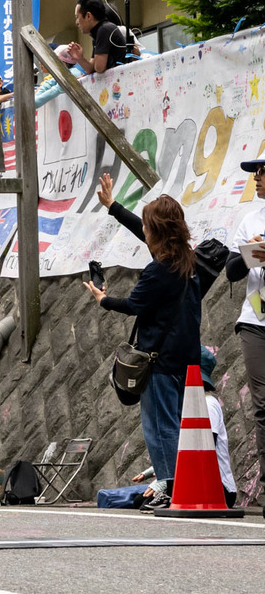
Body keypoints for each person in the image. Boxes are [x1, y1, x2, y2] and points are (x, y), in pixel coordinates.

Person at [84, 173, 201, 511]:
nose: (145, 232)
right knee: (176, 423)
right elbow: (146, 233)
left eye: (149, 228)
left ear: (159, 234)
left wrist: (103, 299)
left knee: (159, 425)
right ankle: (180, 483)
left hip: (159, 359)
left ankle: (169, 486)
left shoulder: (158, 272)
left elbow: (134, 305)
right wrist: (113, 207)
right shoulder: (186, 259)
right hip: (186, 357)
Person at [133, 346, 238, 509]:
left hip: (216, 488)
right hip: (197, 480)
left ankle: (170, 490)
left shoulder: (208, 405)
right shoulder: (189, 406)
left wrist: (167, 482)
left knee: (147, 503)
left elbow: (200, 454)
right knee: (140, 501)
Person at [225, 157, 265, 514]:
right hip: (256, 321)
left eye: (262, 172)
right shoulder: (251, 221)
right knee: (264, 406)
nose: (257, 178)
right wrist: (250, 252)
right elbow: (231, 272)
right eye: (255, 173)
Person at [67, 0, 127, 74]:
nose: (77, 22)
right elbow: (91, 69)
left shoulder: (104, 30)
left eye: (77, 17)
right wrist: (79, 58)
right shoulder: (99, 31)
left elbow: (99, 68)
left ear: (88, 16)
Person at [35, 44, 87, 108]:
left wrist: (34, 104)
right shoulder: (64, 72)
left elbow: (56, 89)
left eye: (55, 62)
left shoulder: (75, 73)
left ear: (63, 63)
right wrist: (35, 97)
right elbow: (49, 83)